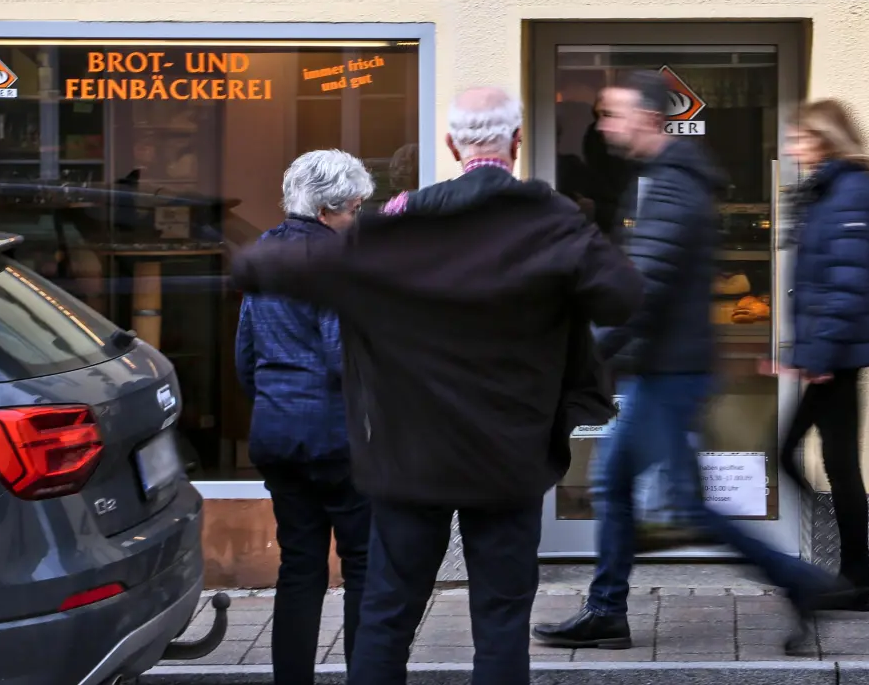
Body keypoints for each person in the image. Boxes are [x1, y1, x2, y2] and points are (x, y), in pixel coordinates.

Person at [231, 87, 642, 685]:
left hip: (411, 453)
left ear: (451, 145)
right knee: (501, 620)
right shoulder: (549, 220)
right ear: (518, 143)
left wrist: (251, 263)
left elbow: (292, 267)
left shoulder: (406, 220)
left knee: (388, 616)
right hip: (509, 453)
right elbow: (623, 297)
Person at [533, 70, 844, 657]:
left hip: (669, 374)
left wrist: (589, 353)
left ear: (648, 119)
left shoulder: (671, 184)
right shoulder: (661, 177)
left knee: (680, 503)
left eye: (613, 113)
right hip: (664, 368)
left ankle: (799, 581)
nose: (603, 124)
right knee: (619, 484)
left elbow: (643, 286)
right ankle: (606, 610)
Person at [234, 149, 374, 685]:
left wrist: (277, 401)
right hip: (336, 436)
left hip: (277, 431)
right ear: (328, 211)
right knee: (363, 566)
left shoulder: (264, 255)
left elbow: (246, 358)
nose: (356, 220)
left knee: (299, 568)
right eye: (354, 209)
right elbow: (345, 358)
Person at [775, 100, 869, 611]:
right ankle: (854, 577)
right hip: (828, 351)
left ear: (825, 138)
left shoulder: (851, 193)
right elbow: (820, 283)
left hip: (836, 356)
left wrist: (815, 356)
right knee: (838, 464)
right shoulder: (829, 190)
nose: (792, 147)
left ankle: (846, 574)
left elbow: (847, 286)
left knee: (796, 455)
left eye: (799, 138)